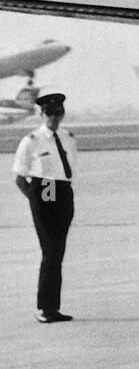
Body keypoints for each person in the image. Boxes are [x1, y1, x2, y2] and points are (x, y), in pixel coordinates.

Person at [13, 92, 77, 323]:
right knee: (50, 251)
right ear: (41, 114)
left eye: (58, 112)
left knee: (57, 252)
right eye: (49, 113)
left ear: (63, 113)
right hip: (46, 188)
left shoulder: (68, 137)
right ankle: (44, 308)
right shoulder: (32, 140)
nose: (54, 117)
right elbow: (20, 175)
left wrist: (63, 194)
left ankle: (53, 308)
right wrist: (35, 199)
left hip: (63, 191)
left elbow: (68, 170)